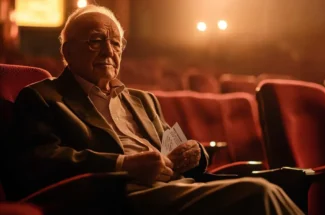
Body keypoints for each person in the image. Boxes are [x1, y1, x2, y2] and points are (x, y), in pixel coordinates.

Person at [5, 5, 304, 215]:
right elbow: (37, 162)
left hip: (177, 186)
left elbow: (172, 149)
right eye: (96, 42)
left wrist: (195, 154)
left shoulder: (143, 99)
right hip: (122, 195)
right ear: (67, 52)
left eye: (116, 43)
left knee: (272, 185)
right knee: (260, 194)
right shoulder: (42, 96)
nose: (109, 51)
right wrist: (123, 165)